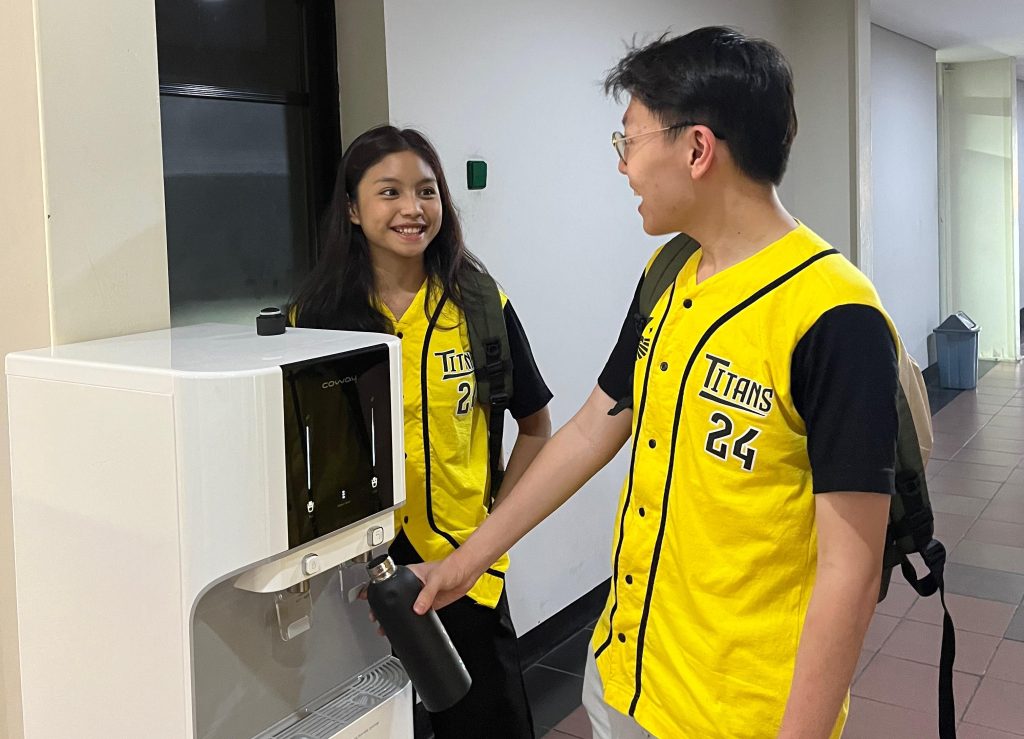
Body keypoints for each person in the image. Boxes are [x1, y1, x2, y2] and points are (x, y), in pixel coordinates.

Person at [408, 27, 898, 739]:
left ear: (697, 149)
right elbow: (590, 429)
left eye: (629, 140)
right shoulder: (668, 273)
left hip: (739, 715)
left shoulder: (835, 316)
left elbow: (852, 573)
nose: (623, 165)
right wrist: (465, 562)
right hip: (627, 677)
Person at [291, 125, 552, 739]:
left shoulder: (480, 304)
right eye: (389, 192)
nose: (412, 208)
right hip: (351, 577)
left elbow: (536, 427)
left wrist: (489, 537)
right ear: (352, 210)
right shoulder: (318, 319)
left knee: (485, 726)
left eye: (426, 191)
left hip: (461, 565)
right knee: (368, 723)